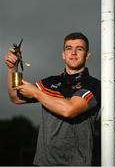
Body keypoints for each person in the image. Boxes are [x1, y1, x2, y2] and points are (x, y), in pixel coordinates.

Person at [4, 32, 101, 166]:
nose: (73, 52)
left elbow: (69, 110)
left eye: (79, 49)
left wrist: (37, 93)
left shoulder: (94, 85)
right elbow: (15, 97)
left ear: (87, 55)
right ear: (63, 54)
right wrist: (12, 68)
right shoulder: (50, 83)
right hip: (42, 164)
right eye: (69, 48)